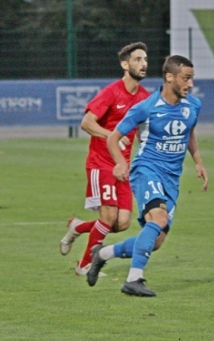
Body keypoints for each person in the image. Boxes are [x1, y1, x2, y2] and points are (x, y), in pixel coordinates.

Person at [86, 55, 209, 297]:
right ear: (169, 77)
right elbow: (112, 137)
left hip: (172, 178)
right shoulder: (146, 107)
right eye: (186, 78)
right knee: (159, 218)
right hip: (147, 169)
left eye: (192, 78)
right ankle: (134, 279)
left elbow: (189, 133)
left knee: (156, 241)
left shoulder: (193, 106)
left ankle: (102, 254)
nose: (190, 84)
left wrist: (199, 162)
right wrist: (121, 163)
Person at [59, 42, 150, 275]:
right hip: (101, 163)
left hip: (123, 167)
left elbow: (144, 132)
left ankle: (78, 227)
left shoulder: (145, 98)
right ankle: (84, 265)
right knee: (108, 216)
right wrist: (114, 137)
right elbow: (87, 123)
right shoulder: (111, 92)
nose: (143, 64)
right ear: (125, 64)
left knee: (121, 223)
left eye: (145, 59)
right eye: (138, 59)